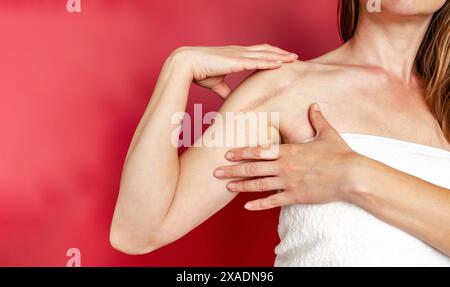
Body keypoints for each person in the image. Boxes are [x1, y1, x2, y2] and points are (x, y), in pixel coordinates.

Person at [110, 0, 450, 266]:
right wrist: (178, 68)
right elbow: (139, 230)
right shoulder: (286, 89)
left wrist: (352, 173)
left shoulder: (444, 107)